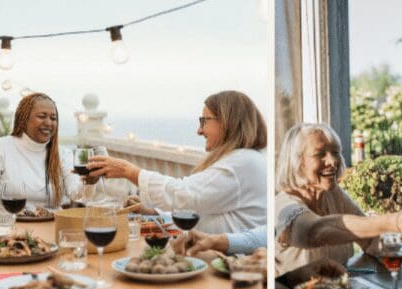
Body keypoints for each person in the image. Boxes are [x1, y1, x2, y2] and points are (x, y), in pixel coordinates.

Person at [86, 90, 267, 237]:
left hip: (233, 264)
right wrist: (155, 214)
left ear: (228, 121)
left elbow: (184, 195)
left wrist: (129, 171)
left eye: (204, 121)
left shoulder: (243, 163)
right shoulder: (244, 160)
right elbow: (204, 212)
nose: (199, 130)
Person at [275, 123, 402, 276]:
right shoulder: (283, 207)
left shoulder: (333, 194)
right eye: (320, 154)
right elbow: (315, 232)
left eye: (335, 152)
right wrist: (391, 221)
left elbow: (371, 240)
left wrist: (395, 237)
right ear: (296, 161)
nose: (333, 161)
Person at [0, 92, 82, 216]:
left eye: (53, 118)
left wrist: (88, 182)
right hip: (9, 227)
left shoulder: (63, 154)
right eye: (42, 116)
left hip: (50, 226)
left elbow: (76, 193)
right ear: (24, 119)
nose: (48, 123)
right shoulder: (2, 147)